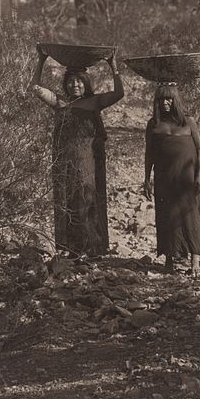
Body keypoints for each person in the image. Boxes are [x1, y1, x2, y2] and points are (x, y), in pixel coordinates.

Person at [32, 45, 124, 257]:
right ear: (66, 83)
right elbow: (36, 88)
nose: (75, 85)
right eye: (71, 81)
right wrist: (41, 60)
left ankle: (91, 247)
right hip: (64, 159)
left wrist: (114, 66)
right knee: (68, 199)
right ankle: (71, 249)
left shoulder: (95, 102)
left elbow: (119, 93)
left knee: (86, 198)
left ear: (86, 84)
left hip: (86, 159)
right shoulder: (60, 102)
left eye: (79, 81)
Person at [144, 82, 200, 276]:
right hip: (163, 177)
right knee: (166, 215)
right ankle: (169, 259)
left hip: (186, 177)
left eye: (169, 98)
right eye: (161, 99)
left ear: (175, 100)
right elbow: (149, 153)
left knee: (191, 215)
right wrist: (146, 179)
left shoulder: (188, 122)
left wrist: (199, 176)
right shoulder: (153, 124)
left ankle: (195, 259)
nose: (165, 103)